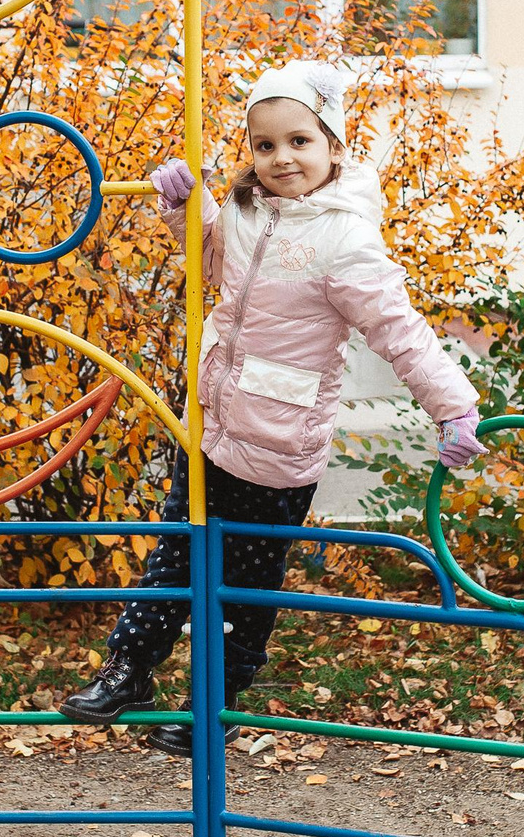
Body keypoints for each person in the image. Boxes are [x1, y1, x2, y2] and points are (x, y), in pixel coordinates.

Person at [62, 62, 484, 756]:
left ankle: (210, 707)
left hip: (280, 444)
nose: (282, 158)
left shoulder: (345, 238)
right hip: (212, 427)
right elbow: (212, 264)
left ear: (334, 146)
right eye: (265, 146)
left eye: (299, 142)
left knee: (245, 588)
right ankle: (129, 670)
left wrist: (452, 408)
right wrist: (185, 207)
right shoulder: (247, 209)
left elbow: (397, 330)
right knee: (174, 558)